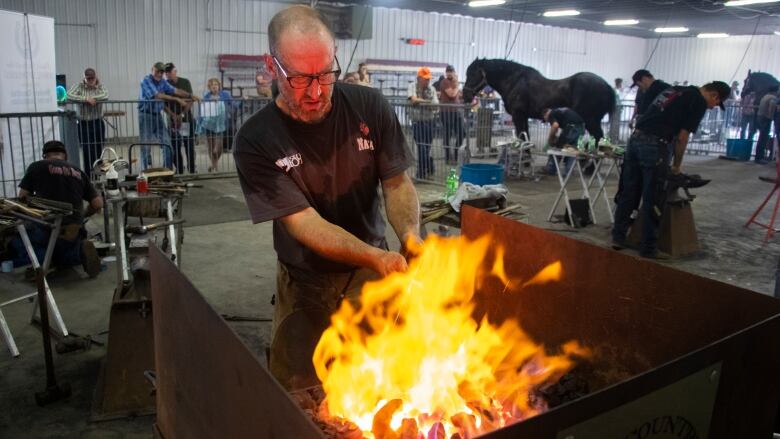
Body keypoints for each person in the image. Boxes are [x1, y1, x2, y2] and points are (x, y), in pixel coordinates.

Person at [233, 5, 421, 390]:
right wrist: (377, 256)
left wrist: (411, 237)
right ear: (272, 66)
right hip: (305, 278)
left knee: (382, 380)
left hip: (372, 276)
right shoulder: (256, 139)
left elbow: (398, 184)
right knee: (297, 389)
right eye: (301, 79)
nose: (317, 92)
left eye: (325, 74)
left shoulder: (370, 107)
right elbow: (304, 222)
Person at [612, 81, 730, 259]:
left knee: (630, 191)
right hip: (655, 144)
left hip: (635, 140)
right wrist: (676, 166)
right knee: (653, 196)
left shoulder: (675, 90)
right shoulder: (697, 101)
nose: (713, 107)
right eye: (716, 103)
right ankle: (648, 248)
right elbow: (682, 138)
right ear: (714, 95)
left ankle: (618, 237)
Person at [10, 141, 102, 278]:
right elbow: (98, 204)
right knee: (64, 252)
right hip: (74, 230)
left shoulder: (37, 167)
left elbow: (23, 196)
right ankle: (78, 253)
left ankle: (40, 265)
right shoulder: (78, 171)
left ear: (45, 155)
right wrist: (81, 217)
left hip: (47, 228)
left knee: (16, 238)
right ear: (65, 156)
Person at [137, 62, 199, 171]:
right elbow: (157, 95)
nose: (161, 74)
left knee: (175, 144)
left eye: (163, 72)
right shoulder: (146, 80)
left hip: (181, 119)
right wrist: (174, 107)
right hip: (150, 116)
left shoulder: (182, 82)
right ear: (152, 70)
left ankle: (171, 171)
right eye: (159, 71)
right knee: (149, 145)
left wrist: (190, 96)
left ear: (175, 71)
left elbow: (177, 92)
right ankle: (145, 172)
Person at [67, 68, 109, 173]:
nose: (90, 80)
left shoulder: (100, 86)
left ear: (95, 77)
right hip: (83, 123)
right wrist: (85, 99)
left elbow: (105, 95)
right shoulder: (78, 86)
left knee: (99, 148)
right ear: (84, 78)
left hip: (97, 122)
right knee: (87, 150)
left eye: (92, 78)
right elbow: (69, 95)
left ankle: (97, 172)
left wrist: (93, 98)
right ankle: (88, 174)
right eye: (88, 78)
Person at [162, 63, 196, 174]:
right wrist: (172, 115)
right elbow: (163, 103)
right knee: (175, 144)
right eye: (166, 72)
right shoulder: (165, 84)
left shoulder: (185, 82)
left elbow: (190, 99)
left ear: (175, 71)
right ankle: (179, 168)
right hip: (172, 120)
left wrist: (181, 115)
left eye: (169, 71)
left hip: (185, 119)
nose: (167, 74)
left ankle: (191, 168)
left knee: (188, 144)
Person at [408, 66, 438, 179]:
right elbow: (413, 100)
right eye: (425, 78)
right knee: (421, 147)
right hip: (417, 122)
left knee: (427, 147)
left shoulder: (432, 89)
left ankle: (423, 171)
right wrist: (427, 102)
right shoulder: (412, 86)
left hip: (430, 122)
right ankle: (425, 169)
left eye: (429, 78)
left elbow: (435, 105)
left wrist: (421, 102)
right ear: (419, 78)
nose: (428, 80)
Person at [198, 78, 233, 172]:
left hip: (221, 124)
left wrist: (242, 100)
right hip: (209, 125)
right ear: (209, 87)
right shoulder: (206, 97)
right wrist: (200, 123)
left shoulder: (225, 95)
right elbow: (202, 111)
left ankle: (214, 164)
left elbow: (232, 103)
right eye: (212, 85)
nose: (214, 86)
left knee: (218, 148)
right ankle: (215, 165)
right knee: (211, 146)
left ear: (219, 86)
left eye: (216, 84)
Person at [543, 107, 586, 175]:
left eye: (546, 120)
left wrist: (550, 139)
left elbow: (555, 126)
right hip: (581, 127)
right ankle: (568, 172)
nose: (548, 121)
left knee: (558, 147)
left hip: (572, 128)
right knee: (572, 150)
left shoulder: (551, 114)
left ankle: (551, 169)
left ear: (546, 115)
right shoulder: (559, 111)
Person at [439, 65, 465, 165]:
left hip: (456, 112)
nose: (449, 73)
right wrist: (457, 85)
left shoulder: (455, 83)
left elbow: (459, 95)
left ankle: (455, 153)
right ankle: (448, 157)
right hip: (446, 112)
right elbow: (452, 94)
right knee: (447, 135)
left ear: (454, 72)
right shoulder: (444, 82)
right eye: (448, 71)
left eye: (451, 71)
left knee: (462, 133)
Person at [755, 85, 778, 163]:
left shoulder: (765, 96)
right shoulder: (773, 98)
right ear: (776, 91)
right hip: (766, 118)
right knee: (763, 138)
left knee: (761, 137)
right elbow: (771, 108)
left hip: (760, 117)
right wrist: (771, 117)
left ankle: (758, 156)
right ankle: (759, 158)